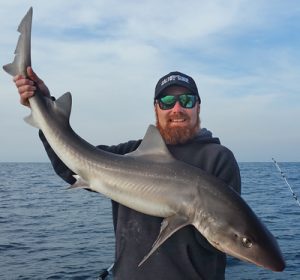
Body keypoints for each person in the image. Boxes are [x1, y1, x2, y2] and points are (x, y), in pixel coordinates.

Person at [14, 68, 241, 280]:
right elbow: (72, 166)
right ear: (156, 108)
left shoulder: (218, 158)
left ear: (198, 107)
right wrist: (44, 106)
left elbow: (221, 237)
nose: (177, 109)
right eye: (167, 101)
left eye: (187, 100)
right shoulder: (131, 153)